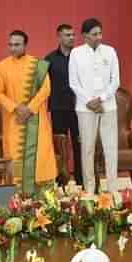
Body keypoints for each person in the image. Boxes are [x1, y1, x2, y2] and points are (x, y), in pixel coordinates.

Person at [0, 30, 57, 194]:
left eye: (17, 44)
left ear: (25, 45)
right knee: (16, 156)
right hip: (14, 120)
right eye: (10, 45)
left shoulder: (38, 65)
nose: (13, 48)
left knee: (41, 156)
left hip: (36, 119)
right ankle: (19, 199)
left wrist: (30, 108)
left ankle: (44, 198)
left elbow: (45, 89)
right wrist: (16, 108)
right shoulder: (2, 66)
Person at [69, 18, 120, 194]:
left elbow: (116, 81)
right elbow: (74, 83)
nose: (98, 37)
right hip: (85, 108)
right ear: (84, 36)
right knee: (87, 148)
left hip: (108, 106)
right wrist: (90, 101)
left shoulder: (110, 51)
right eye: (94, 34)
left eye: (100, 33)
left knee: (110, 147)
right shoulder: (76, 53)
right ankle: (89, 189)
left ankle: (113, 189)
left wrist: (101, 99)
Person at [45, 24, 83, 186]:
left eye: (73, 35)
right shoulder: (49, 59)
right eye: (67, 35)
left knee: (79, 145)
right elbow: (42, 84)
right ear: (59, 37)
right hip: (58, 109)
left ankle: (81, 181)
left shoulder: (80, 58)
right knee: (60, 148)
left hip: (79, 108)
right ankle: (61, 181)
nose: (71, 38)